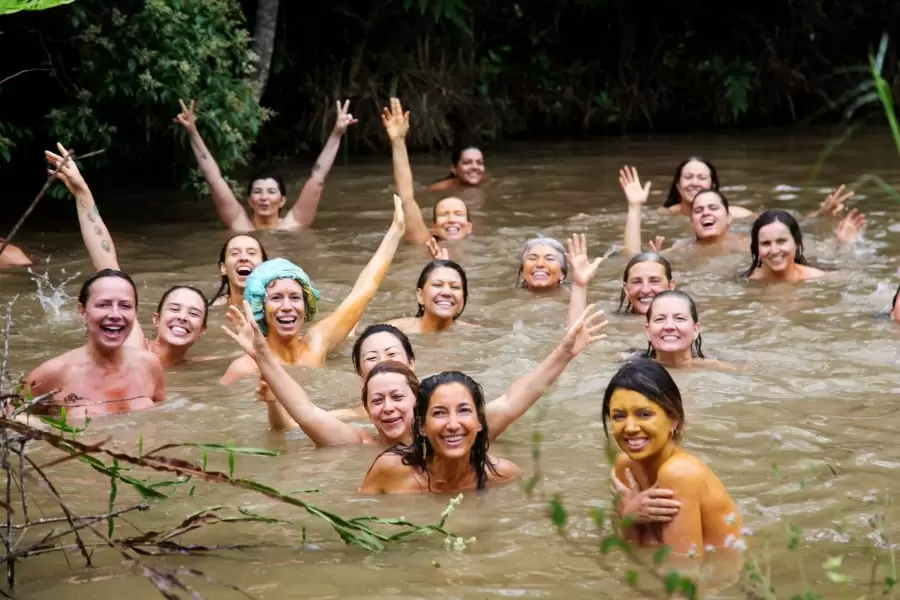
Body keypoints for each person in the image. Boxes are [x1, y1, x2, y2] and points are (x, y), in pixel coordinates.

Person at [226, 296, 608, 440]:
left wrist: (563, 353)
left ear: (417, 388)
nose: (388, 408)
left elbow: (512, 400)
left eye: (397, 397)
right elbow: (306, 412)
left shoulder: (454, 431)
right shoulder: (360, 441)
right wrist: (263, 354)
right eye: (379, 400)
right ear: (362, 390)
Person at [45, 143, 208, 367]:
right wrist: (82, 191)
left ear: (203, 330)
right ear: (156, 319)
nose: (182, 317)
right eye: (174, 308)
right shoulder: (133, 347)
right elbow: (106, 264)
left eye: (194, 313)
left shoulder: (202, 366)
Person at [219, 195, 406, 384]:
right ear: (260, 308)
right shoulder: (245, 368)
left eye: (294, 297)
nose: (287, 306)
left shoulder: (317, 343)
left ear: (306, 305)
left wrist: (395, 233)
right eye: (276, 298)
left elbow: (363, 291)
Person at [603, 359, 742, 556]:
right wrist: (630, 517)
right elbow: (632, 551)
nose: (630, 427)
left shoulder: (679, 473)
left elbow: (684, 572)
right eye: (619, 416)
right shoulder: (624, 466)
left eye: (644, 414)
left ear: (674, 420)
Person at [173, 98, 356, 232]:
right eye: (258, 192)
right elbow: (213, 178)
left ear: (282, 200)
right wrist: (192, 132)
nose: (264, 198)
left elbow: (318, 178)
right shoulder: (240, 226)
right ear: (249, 200)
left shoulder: (294, 225)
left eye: (271, 192)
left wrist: (336, 134)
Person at [23, 270, 166, 418]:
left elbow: (162, 418)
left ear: (135, 312)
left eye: (125, 306)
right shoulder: (53, 373)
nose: (115, 315)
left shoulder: (149, 365)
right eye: (103, 305)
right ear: (82, 311)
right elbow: (9, 417)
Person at [359, 370, 520, 494]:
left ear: (479, 422)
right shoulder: (389, 470)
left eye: (463, 410)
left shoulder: (503, 476)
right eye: (439, 413)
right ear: (422, 426)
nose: (453, 424)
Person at [382, 98, 473, 246]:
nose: (451, 219)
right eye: (444, 215)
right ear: (434, 228)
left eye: (458, 214)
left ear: (469, 227)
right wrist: (398, 142)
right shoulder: (426, 244)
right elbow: (406, 197)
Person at [739, 209, 866, 281]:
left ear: (797, 244)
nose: (774, 250)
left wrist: (844, 245)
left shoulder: (818, 278)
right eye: (766, 243)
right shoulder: (744, 280)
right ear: (756, 248)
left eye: (781, 241)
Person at [640, 291, 736, 370]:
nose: (669, 326)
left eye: (680, 318)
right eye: (660, 319)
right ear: (648, 331)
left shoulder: (723, 370)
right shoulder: (634, 371)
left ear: (695, 330)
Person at [387, 259, 472, 334]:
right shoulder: (393, 331)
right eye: (437, 285)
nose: (447, 292)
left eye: (454, 287)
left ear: (462, 301)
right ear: (420, 296)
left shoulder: (472, 335)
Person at [658, 157, 754, 218]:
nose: (695, 183)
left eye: (702, 178)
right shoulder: (664, 215)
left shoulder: (739, 215)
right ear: (678, 185)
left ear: (713, 185)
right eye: (688, 177)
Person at [207, 233, 269, 308]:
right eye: (235, 253)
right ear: (223, 268)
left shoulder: (279, 306)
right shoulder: (209, 309)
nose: (243, 258)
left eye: (251, 253)